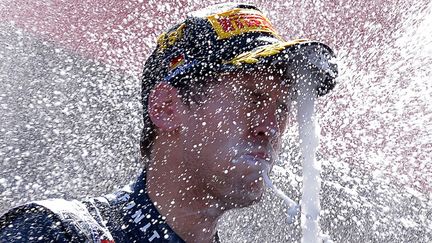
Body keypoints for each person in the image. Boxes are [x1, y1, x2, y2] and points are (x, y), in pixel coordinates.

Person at [0, 3, 337, 243]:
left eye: (281, 108)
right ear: (167, 108)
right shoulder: (61, 233)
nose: (270, 127)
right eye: (253, 97)